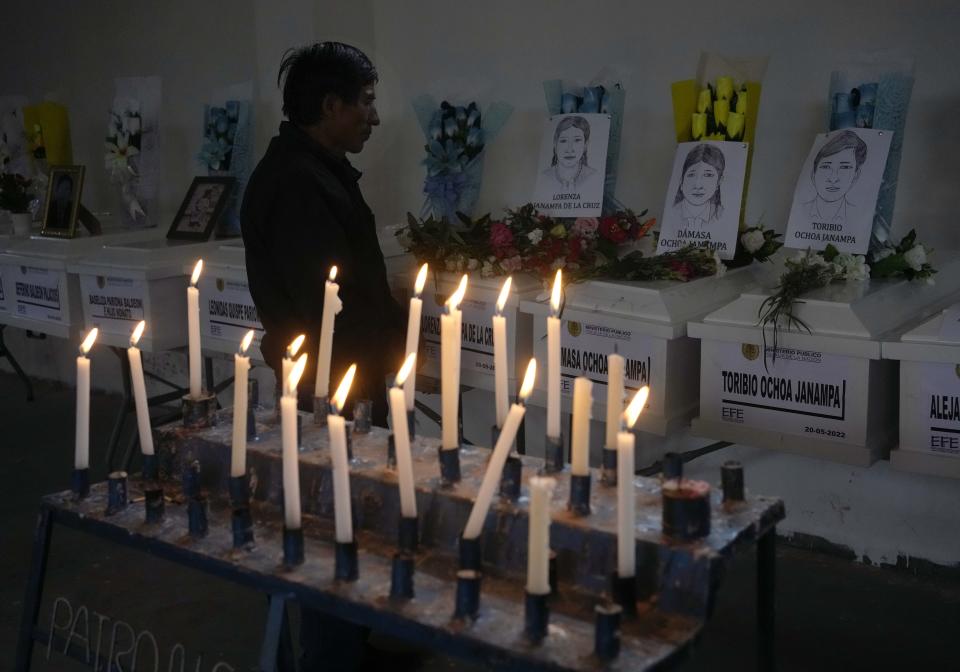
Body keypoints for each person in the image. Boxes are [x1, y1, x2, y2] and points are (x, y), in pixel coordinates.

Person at [241, 42, 405, 429]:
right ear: (331, 106)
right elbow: (327, 300)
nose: (375, 117)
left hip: (344, 370)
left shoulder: (316, 170)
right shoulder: (295, 183)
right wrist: (398, 339)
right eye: (366, 101)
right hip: (329, 380)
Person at [804, 129, 867, 225]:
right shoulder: (802, 210)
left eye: (844, 167)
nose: (833, 178)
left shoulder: (859, 218)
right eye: (826, 167)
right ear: (813, 174)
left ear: (855, 176)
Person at [672, 143, 725, 229]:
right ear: (681, 180)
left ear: (719, 181)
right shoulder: (672, 213)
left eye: (708, 175)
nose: (698, 185)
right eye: (691, 175)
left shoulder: (722, 214)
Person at [541, 115, 599, 191]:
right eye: (563, 141)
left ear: (585, 144)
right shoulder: (544, 177)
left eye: (577, 140)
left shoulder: (594, 176)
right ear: (555, 144)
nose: (569, 149)